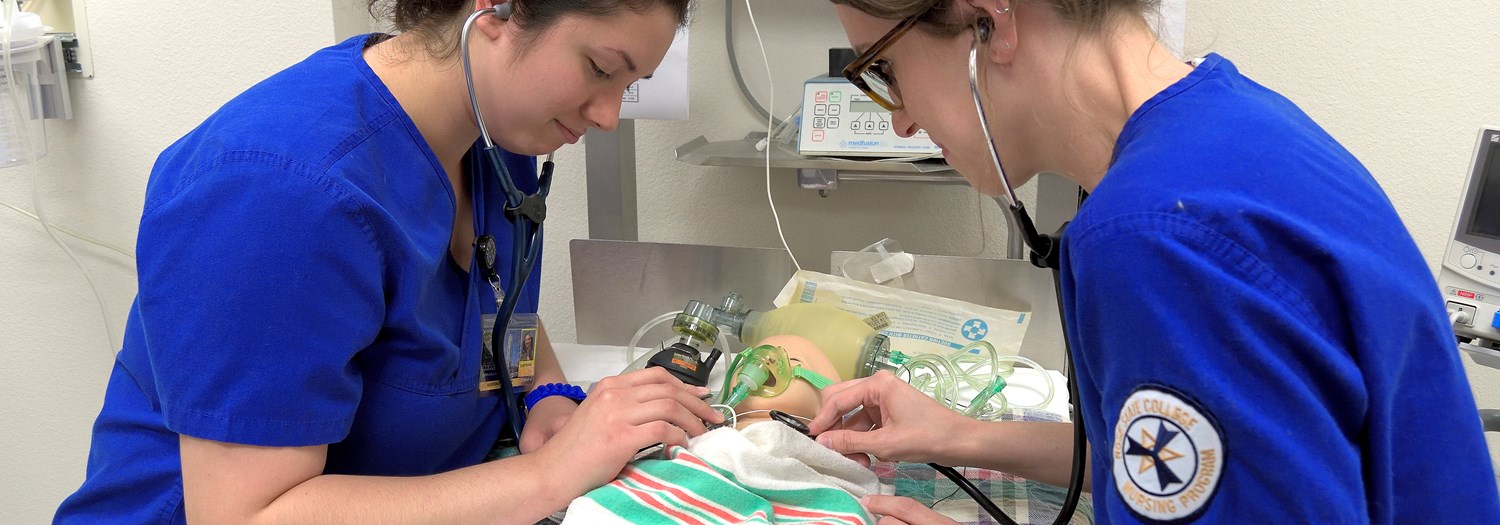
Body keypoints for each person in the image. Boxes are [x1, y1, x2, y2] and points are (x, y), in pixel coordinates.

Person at [807, 1, 1500, 524]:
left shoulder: (1155, 243)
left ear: (991, 20)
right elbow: (1170, 463)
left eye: (885, 68)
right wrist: (960, 433)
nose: (898, 119)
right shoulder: (1227, 123)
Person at [53, 1, 722, 524]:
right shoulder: (283, 191)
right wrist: (550, 475)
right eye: (602, 69)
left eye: (631, 85)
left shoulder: (498, 137)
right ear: (497, 10)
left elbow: (492, 296)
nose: (607, 114)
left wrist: (545, 391)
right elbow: (244, 513)